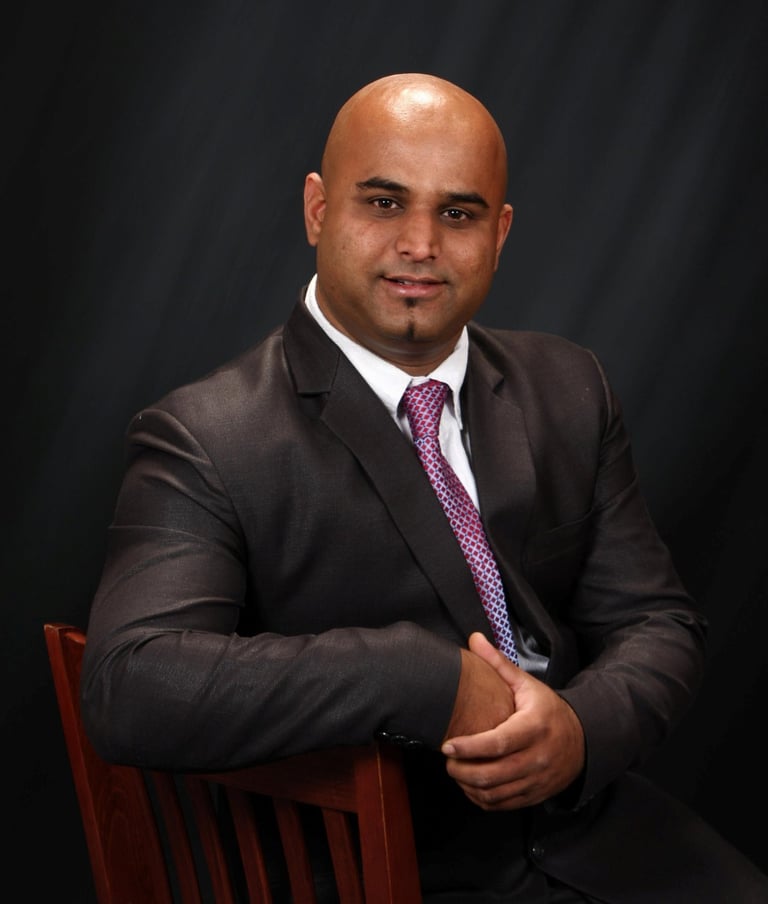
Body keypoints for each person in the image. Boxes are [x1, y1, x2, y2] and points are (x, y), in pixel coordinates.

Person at [80, 73, 768, 902]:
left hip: (591, 830)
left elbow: (656, 622)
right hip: (380, 868)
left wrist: (582, 731)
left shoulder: (570, 385)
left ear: (501, 231)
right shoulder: (206, 436)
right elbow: (133, 686)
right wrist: (415, 675)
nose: (420, 245)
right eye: (382, 203)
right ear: (317, 209)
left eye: (457, 213)